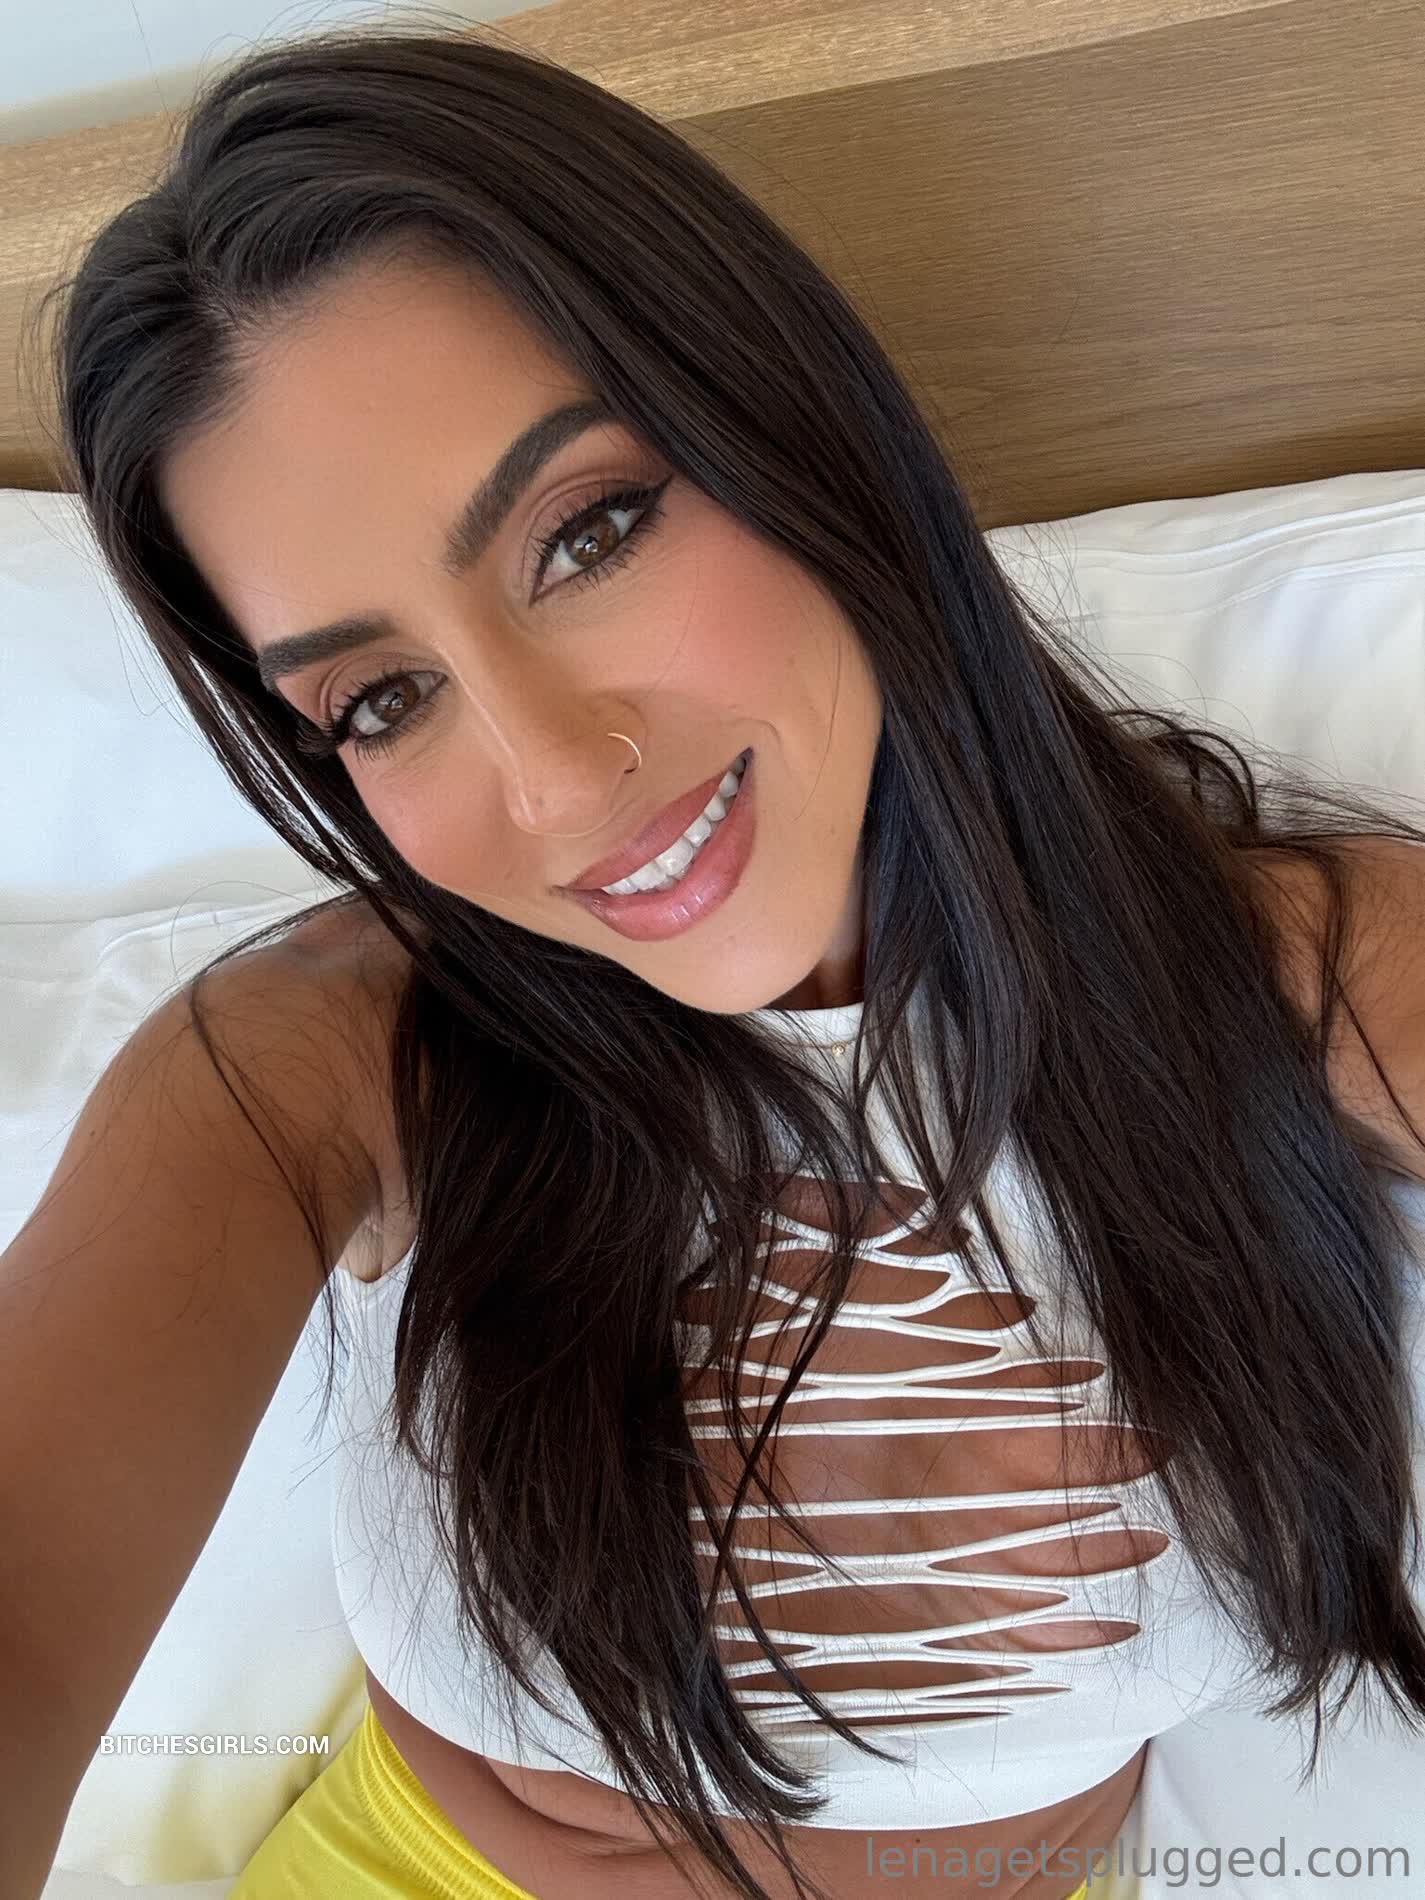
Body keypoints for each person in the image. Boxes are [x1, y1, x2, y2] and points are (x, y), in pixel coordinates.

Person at [7, 19, 1425, 1900]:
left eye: (586, 533)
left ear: (791, 426)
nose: (550, 779)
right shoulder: (318, 1058)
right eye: (381, 699)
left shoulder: (1304, 974)